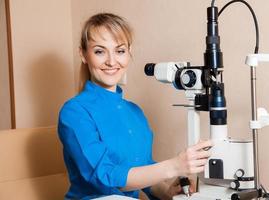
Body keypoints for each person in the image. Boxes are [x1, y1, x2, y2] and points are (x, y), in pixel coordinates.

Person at [58, 13, 213, 200]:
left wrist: (167, 192)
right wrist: (174, 166)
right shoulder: (74, 112)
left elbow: (143, 174)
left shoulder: (135, 112)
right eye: (100, 51)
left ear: (129, 52)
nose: (111, 61)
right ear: (83, 54)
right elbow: (105, 177)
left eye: (120, 51)